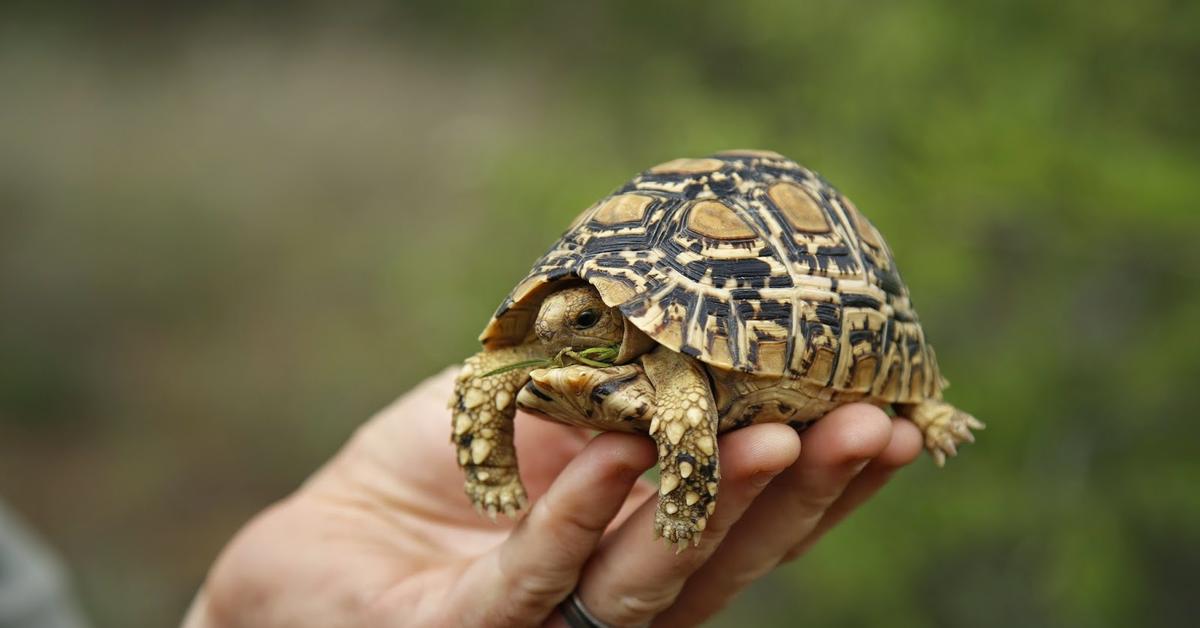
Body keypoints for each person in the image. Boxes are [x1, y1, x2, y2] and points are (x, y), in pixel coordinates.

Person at [183, 367, 923, 627]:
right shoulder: (547, 345)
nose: (556, 336)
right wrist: (492, 474)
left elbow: (684, 399)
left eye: (583, 325)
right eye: (551, 323)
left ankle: (925, 398)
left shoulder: (673, 380)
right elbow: (489, 375)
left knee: (835, 442)